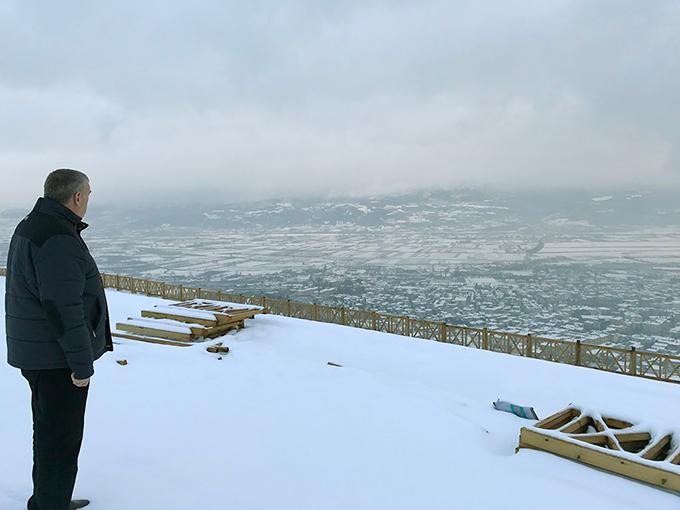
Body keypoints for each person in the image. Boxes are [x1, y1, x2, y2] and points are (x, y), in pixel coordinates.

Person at [4, 169, 113, 510]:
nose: (89, 200)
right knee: (60, 440)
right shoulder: (57, 237)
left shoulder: (35, 224)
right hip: (56, 359)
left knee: (51, 433)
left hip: (40, 352)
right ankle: (50, 505)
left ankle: (50, 500)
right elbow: (63, 308)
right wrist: (81, 365)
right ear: (77, 197)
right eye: (89, 194)